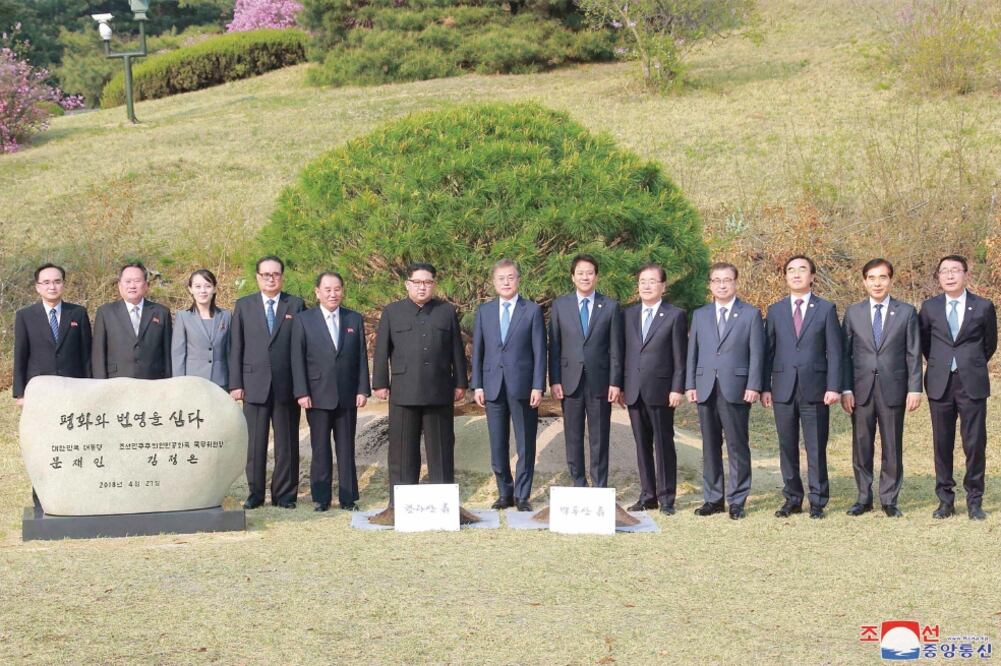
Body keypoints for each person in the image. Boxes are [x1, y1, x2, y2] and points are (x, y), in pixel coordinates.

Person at [372, 263, 468, 516]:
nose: (422, 287)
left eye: (427, 282)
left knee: (442, 448)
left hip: (439, 389)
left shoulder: (446, 311)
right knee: (402, 450)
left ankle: (444, 503)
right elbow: (381, 350)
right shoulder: (392, 312)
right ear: (408, 284)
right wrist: (380, 382)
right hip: (404, 390)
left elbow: (456, 349)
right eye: (417, 282)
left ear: (434, 285)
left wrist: (460, 382)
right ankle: (399, 505)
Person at [762, 256, 842, 520]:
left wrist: (834, 386)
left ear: (812, 276)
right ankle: (792, 499)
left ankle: (817, 501)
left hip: (816, 389)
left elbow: (835, 351)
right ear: (785, 276)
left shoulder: (826, 309)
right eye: (791, 270)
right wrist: (765, 387)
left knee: (815, 446)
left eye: (802, 270)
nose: (796, 274)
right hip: (783, 388)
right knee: (787, 446)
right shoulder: (775, 310)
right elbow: (768, 351)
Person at [841, 258, 922, 518]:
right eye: (872, 278)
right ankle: (863, 498)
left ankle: (889, 499)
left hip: (894, 388)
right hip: (860, 390)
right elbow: (844, 355)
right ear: (864, 281)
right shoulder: (853, 312)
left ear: (891, 280)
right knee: (862, 445)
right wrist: (845, 389)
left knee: (892, 445)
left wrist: (914, 388)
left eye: (883, 277)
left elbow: (913, 353)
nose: (877, 283)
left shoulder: (907, 312)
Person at [918, 255, 997, 520]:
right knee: (942, 443)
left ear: (965, 274)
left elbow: (990, 344)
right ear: (938, 277)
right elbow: (925, 343)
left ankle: (974, 500)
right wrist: (943, 364)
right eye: (944, 271)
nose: (949, 275)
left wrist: (968, 363)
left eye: (955, 270)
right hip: (940, 383)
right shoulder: (929, 307)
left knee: (974, 443)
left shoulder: (983, 306)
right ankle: (945, 500)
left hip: (971, 382)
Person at [685, 262, 764, 520]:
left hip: (737, 388)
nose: (722, 284)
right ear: (710, 285)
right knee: (709, 446)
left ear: (735, 283)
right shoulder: (700, 314)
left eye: (727, 280)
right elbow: (692, 353)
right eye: (717, 280)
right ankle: (713, 498)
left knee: (737, 445)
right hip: (705, 387)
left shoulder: (750, 314)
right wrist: (690, 384)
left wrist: (754, 384)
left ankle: (737, 499)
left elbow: (757, 354)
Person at [12, 263, 92, 512]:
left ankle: (76, 496)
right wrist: (20, 393)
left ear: (64, 284)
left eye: (57, 281)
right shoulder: (25, 316)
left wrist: (91, 388)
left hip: (73, 390)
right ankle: (42, 498)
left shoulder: (77, 313)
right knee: (43, 445)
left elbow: (86, 355)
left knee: (75, 443)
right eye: (46, 282)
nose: (52, 286)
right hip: (40, 393)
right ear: (38, 287)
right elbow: (21, 355)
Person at [229, 256, 305, 510]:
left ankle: (284, 494)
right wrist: (236, 383)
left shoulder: (295, 304)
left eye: (275, 274)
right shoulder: (244, 305)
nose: (271, 278)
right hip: (254, 384)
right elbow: (236, 346)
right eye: (266, 274)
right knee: (255, 444)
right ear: (257, 277)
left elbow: (302, 348)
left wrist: (302, 386)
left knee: (287, 442)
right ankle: (256, 493)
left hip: (287, 385)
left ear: (282, 276)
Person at [470, 259, 546, 512]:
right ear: (494, 282)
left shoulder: (532, 310)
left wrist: (538, 386)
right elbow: (478, 350)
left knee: (525, 443)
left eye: (511, 277)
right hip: (492, 386)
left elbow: (539, 351)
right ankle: (505, 492)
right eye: (501, 278)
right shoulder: (485, 311)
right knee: (497, 443)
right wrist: (477, 385)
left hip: (523, 386)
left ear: (518, 280)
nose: (506, 282)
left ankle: (523, 495)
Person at [291, 271, 370, 512]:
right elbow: (297, 358)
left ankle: (348, 497)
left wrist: (362, 389)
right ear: (317, 292)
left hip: (347, 395)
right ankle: (321, 498)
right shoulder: (304, 320)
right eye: (327, 289)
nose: (333, 294)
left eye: (337, 289)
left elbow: (361, 357)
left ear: (343, 291)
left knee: (346, 448)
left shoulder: (353, 319)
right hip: (316, 394)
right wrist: (302, 392)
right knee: (320, 448)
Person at [548, 254, 624, 488]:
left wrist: (615, 382)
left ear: (596, 276)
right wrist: (555, 380)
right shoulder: (560, 306)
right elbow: (555, 346)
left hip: (600, 382)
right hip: (569, 381)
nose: (585, 277)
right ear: (573, 277)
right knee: (573, 436)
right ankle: (578, 483)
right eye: (580, 273)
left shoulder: (610, 306)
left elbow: (615, 348)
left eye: (589, 272)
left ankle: (599, 484)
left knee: (599, 437)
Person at [621, 263, 687, 515]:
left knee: (663, 444)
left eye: (652, 281)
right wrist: (621, 385)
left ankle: (667, 496)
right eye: (642, 282)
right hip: (634, 390)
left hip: (661, 390)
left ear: (663, 286)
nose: (646, 286)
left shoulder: (675, 315)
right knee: (641, 445)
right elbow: (623, 352)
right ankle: (647, 495)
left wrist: (677, 388)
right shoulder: (628, 314)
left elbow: (680, 356)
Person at [92, 262, 172, 380]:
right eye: (128, 281)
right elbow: (98, 353)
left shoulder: (161, 312)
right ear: (120, 285)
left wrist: (168, 381)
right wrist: (100, 384)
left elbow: (167, 353)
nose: (132, 286)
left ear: (146, 285)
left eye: (137, 281)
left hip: (153, 382)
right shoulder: (105, 312)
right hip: (116, 381)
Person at [171, 269, 231, 389]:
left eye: (207, 286)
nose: (203, 291)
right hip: (193, 382)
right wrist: (178, 383)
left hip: (220, 381)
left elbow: (230, 351)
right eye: (197, 286)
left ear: (214, 289)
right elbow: (178, 353)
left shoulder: (226, 315)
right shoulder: (183, 317)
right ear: (190, 289)